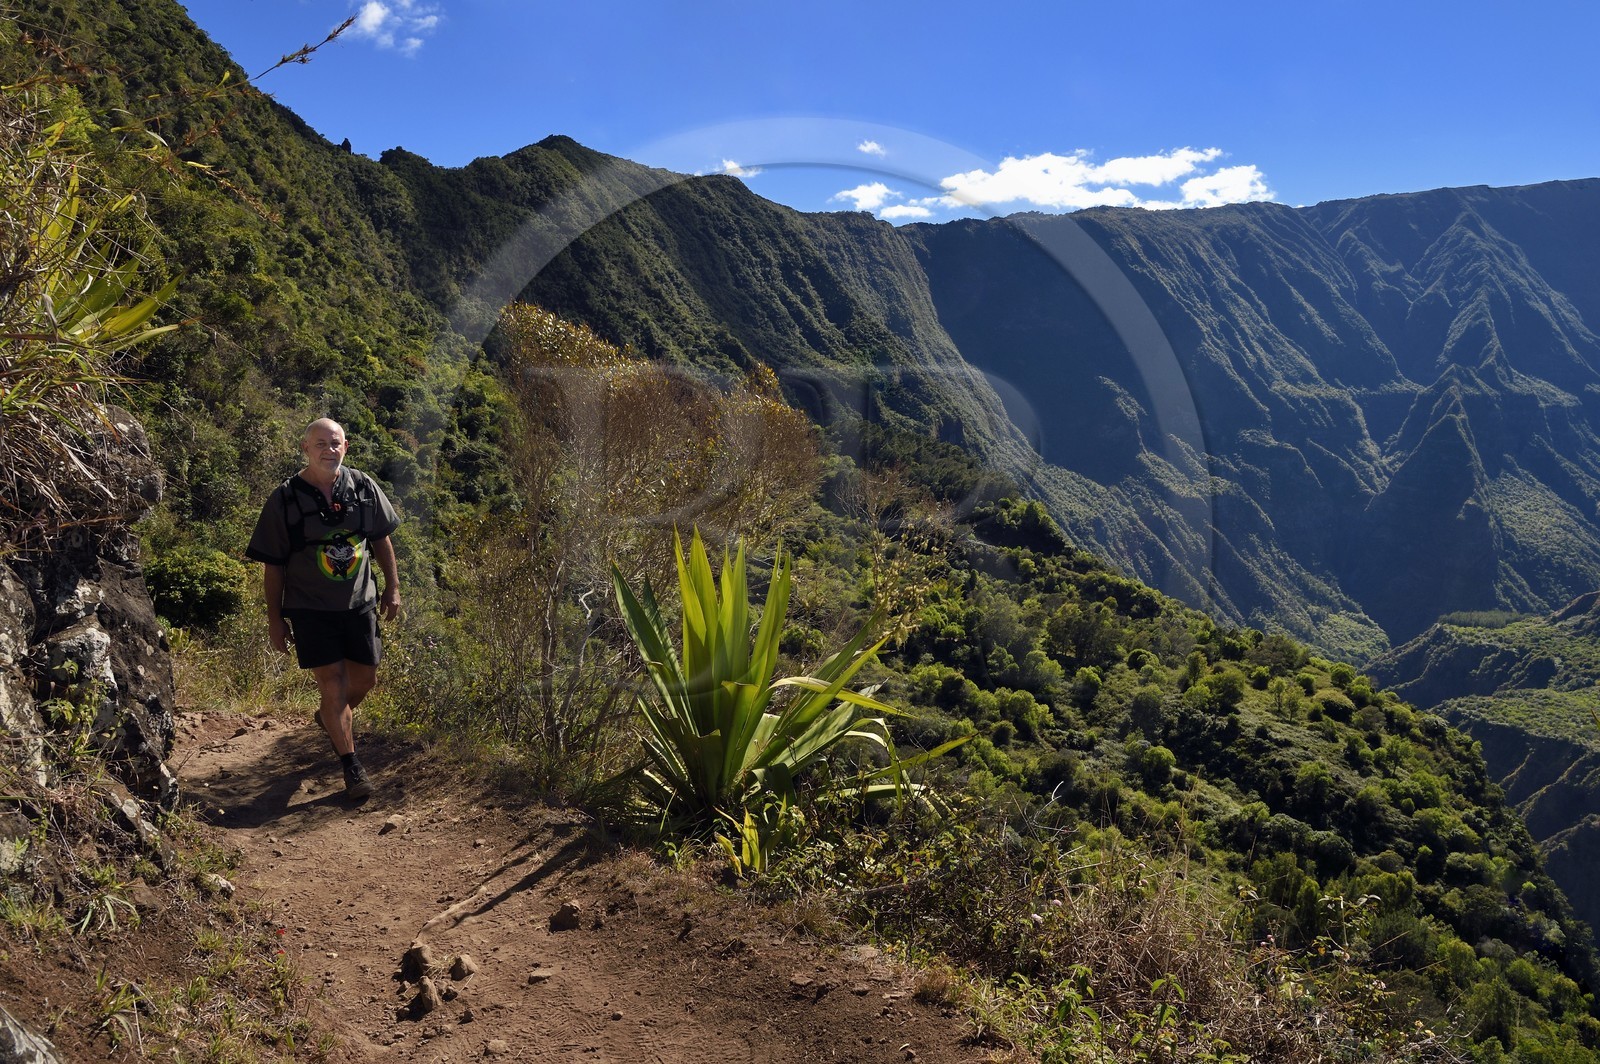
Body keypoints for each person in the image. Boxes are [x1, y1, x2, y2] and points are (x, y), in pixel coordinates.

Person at [246, 418, 401, 799]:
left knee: (364, 681)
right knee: (333, 684)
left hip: (359, 603)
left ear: (345, 447)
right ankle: (352, 768)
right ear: (305, 448)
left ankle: (329, 718)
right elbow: (274, 565)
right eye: (320, 443)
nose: (328, 450)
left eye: (335, 443)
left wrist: (393, 587)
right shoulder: (284, 498)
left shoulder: (363, 487)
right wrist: (275, 619)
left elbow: (381, 540)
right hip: (309, 608)